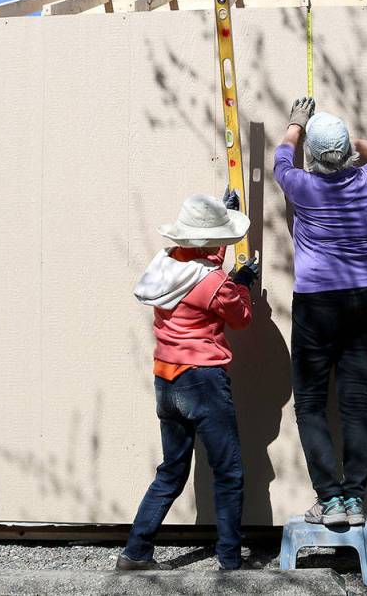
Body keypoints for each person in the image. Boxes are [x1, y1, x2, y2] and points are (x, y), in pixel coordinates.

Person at [117, 191, 260, 571]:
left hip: (166, 378)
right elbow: (241, 316)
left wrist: (224, 215)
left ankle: (136, 551)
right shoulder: (213, 284)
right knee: (228, 471)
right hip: (203, 382)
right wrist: (242, 282)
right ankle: (230, 562)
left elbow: (201, 260)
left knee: (171, 471)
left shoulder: (165, 264)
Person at [273, 97, 367, 527]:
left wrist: (296, 125)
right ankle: (354, 500)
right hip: (365, 300)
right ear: (344, 154)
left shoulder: (301, 185)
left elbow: (280, 160)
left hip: (318, 304)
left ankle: (328, 500)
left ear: (312, 157)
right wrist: (351, 146)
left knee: (309, 403)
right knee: (355, 402)